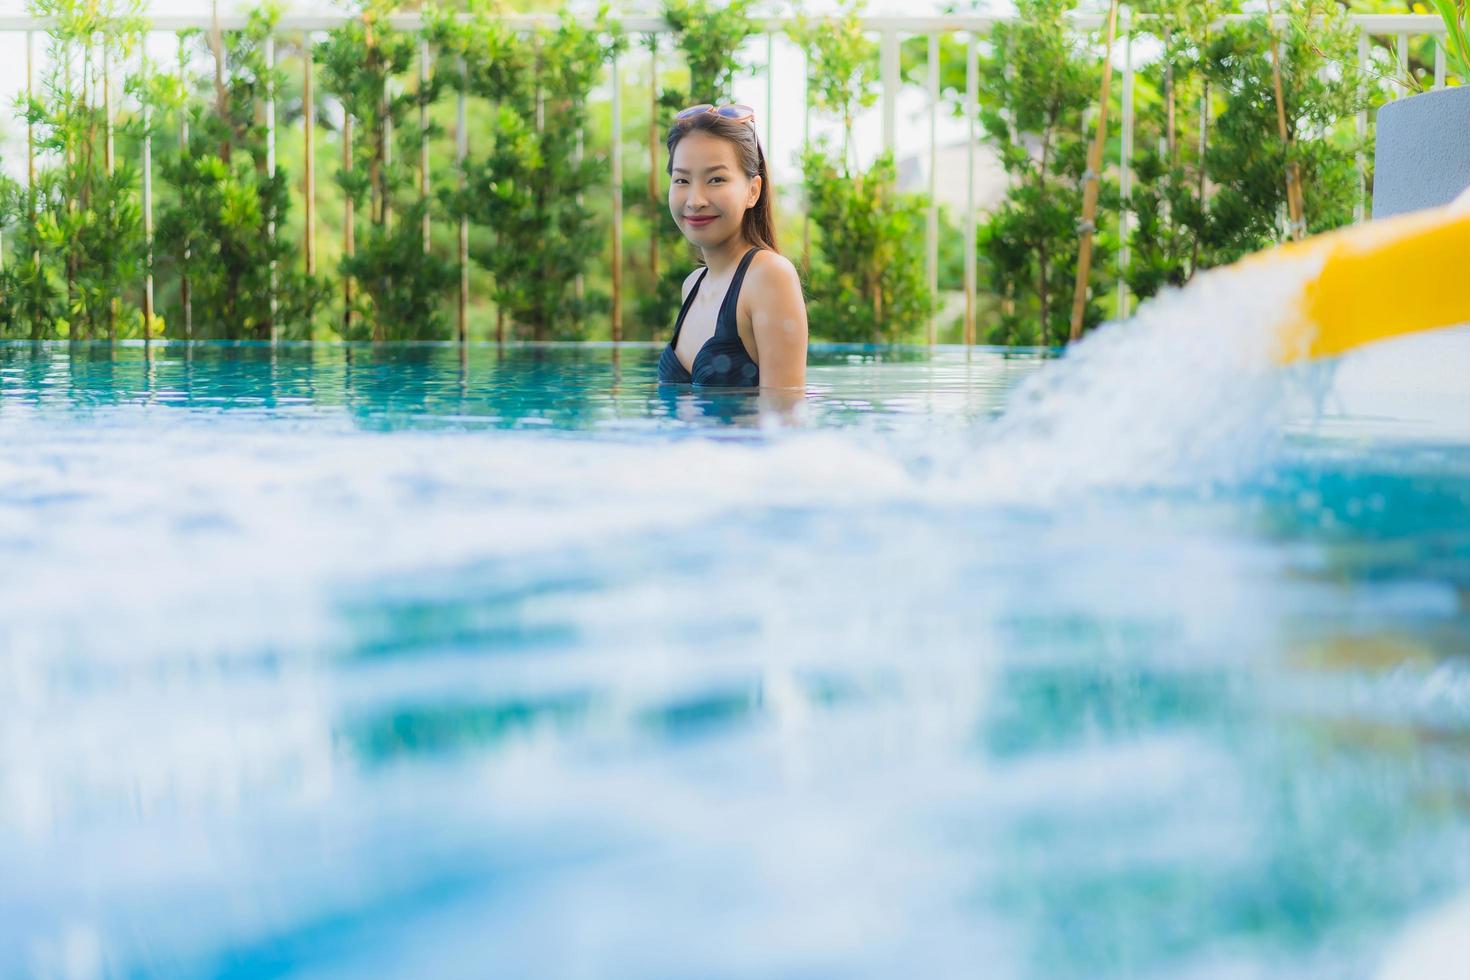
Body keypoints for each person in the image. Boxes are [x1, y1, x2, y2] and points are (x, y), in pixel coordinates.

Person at [657, 102, 808, 390]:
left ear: (753, 191)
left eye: (716, 179)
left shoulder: (768, 276)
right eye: (682, 180)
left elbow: (784, 416)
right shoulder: (693, 285)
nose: (695, 200)